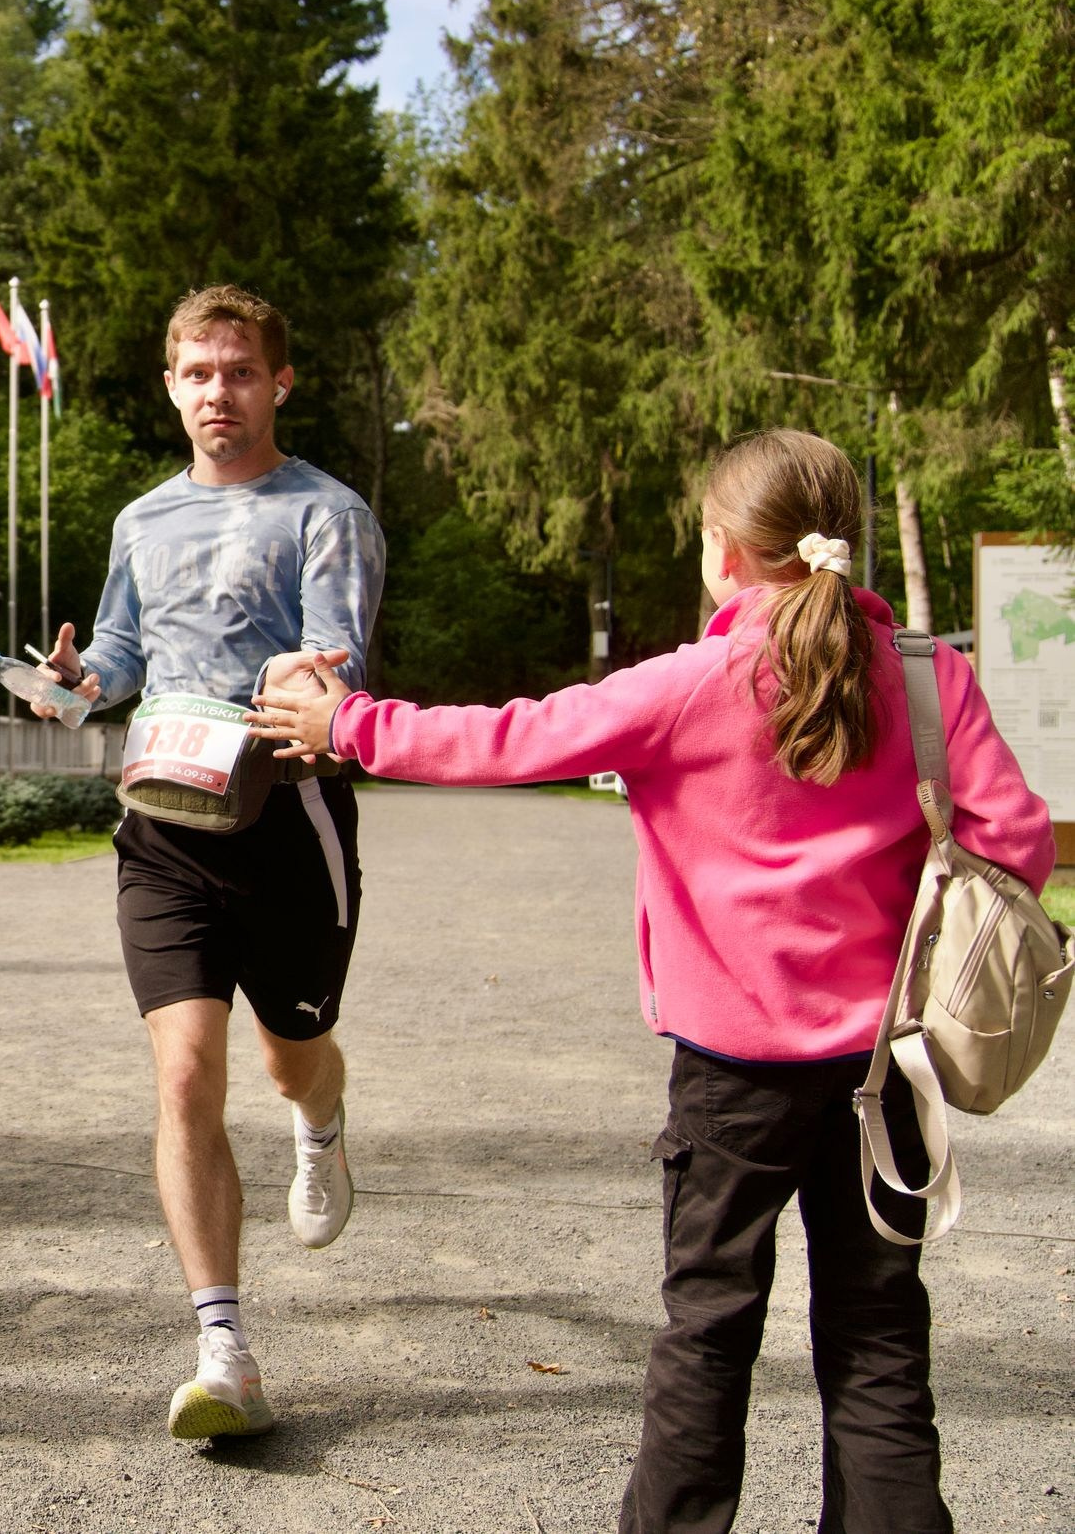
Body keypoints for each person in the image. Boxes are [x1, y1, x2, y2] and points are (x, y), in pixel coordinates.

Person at [248, 429, 1046, 1532]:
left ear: (720, 549)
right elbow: (1016, 847)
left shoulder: (693, 681)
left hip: (732, 1080)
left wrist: (345, 721)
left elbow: (511, 738)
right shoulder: (926, 676)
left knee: (707, 1331)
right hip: (885, 1069)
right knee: (876, 1339)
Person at [32, 285, 382, 1441]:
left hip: (289, 817)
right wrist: (81, 680)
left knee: (291, 1061)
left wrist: (284, 693)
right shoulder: (141, 519)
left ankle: (322, 1120)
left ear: (278, 383)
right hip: (163, 820)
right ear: (169, 384)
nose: (215, 392)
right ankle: (222, 1344)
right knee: (184, 1073)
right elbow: (123, 650)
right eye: (195, 372)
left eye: (237, 371)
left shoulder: (325, 512)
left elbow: (337, 665)